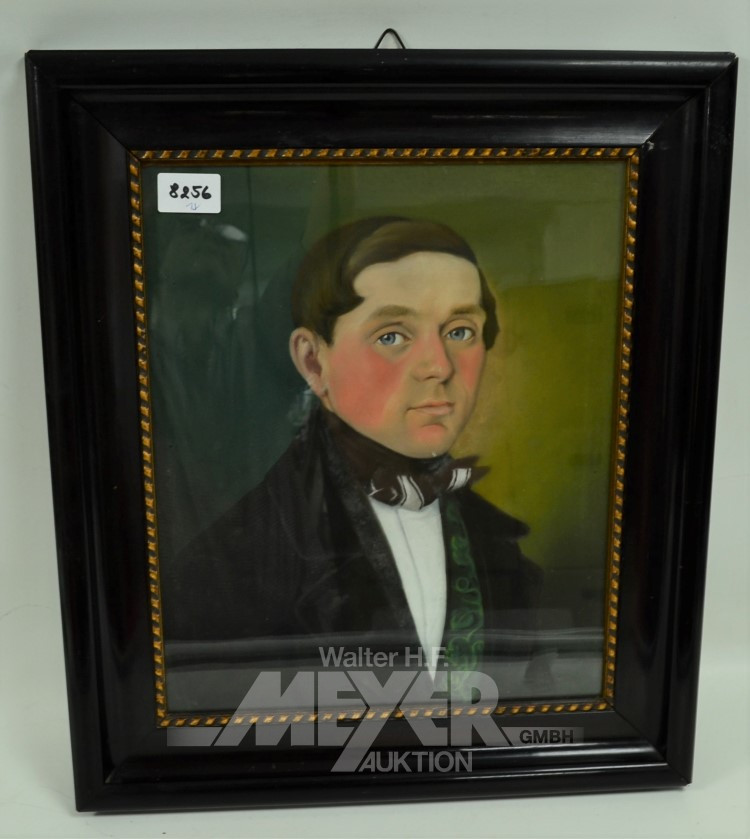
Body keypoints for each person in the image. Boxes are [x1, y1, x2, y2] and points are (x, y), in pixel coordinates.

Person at [161, 217, 544, 698]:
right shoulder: (229, 565)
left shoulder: (498, 547)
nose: (439, 367)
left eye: (460, 330)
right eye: (392, 336)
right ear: (313, 361)